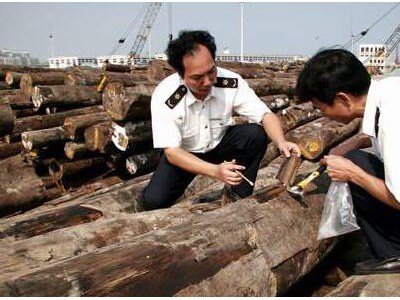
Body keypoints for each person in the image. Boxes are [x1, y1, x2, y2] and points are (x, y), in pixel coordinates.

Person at [141, 30, 300, 210]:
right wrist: (215, 171)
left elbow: (265, 115)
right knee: (154, 201)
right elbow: (172, 152)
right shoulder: (166, 95)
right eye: (197, 78)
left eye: (211, 71)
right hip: (185, 155)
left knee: (254, 134)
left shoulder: (230, 82)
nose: (208, 81)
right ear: (181, 74)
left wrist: (281, 142)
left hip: (219, 144)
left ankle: (238, 197)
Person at [296, 48, 400, 274]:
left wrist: (352, 173)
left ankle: (394, 253)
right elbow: (373, 133)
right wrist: (352, 144)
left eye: (321, 107)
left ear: (343, 98)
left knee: (357, 165)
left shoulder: (392, 121)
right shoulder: (390, 90)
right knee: (355, 157)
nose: (324, 115)